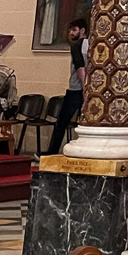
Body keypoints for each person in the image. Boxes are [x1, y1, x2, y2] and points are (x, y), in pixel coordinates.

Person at [47, 17, 89, 155]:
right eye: (70, 30)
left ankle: (52, 152)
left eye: (74, 30)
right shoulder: (92, 45)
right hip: (90, 90)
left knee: (62, 122)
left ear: (82, 30)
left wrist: (85, 89)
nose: (71, 33)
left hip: (77, 89)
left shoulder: (76, 46)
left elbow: (80, 68)